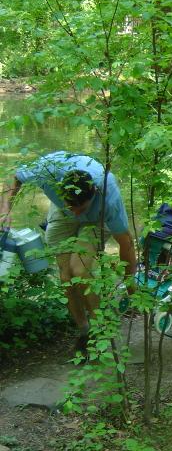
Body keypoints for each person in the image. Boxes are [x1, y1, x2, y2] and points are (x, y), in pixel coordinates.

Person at [0, 151, 137, 354]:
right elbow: (15, 176)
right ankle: (84, 331)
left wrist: (131, 288)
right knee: (66, 277)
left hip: (95, 218)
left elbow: (126, 244)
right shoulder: (47, 171)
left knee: (80, 271)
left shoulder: (109, 197)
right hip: (60, 211)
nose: (76, 213)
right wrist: (5, 210)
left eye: (80, 208)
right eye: (72, 206)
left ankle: (100, 330)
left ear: (94, 192)